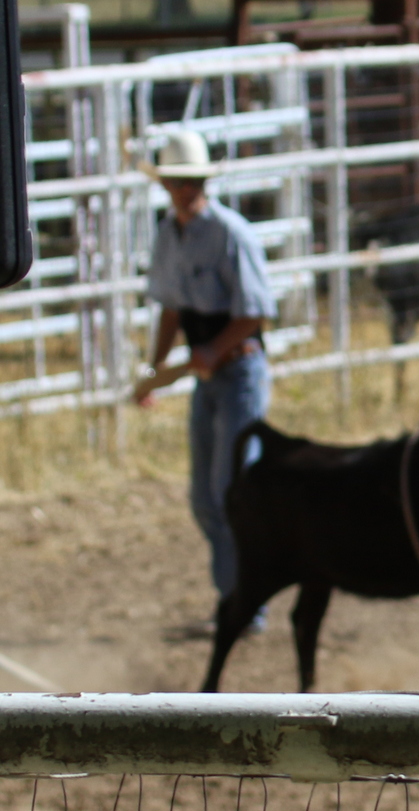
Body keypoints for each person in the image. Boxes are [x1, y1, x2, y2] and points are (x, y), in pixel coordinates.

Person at [134, 130, 277, 635]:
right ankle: (235, 601)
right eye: (177, 181)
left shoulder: (231, 233)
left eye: (191, 181)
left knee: (230, 491)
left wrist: (211, 352)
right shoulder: (168, 234)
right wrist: (156, 369)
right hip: (208, 374)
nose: (184, 189)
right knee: (206, 498)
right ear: (167, 185)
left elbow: (256, 312)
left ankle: (247, 608)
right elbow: (172, 308)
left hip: (237, 369)